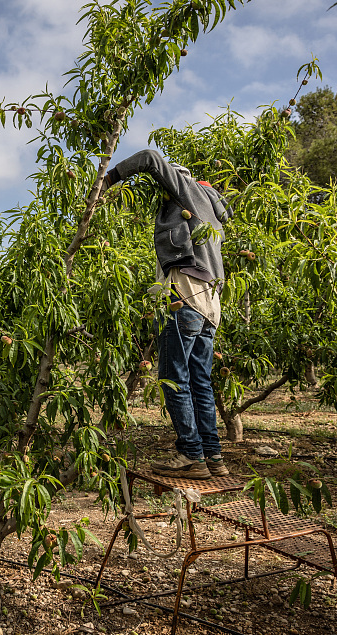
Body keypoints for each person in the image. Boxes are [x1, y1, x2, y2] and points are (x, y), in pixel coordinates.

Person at [102, 150, 233, 480]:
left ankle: (191, 454)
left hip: (186, 292)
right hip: (211, 301)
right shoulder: (213, 209)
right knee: (200, 380)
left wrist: (109, 179)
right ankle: (213, 456)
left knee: (173, 376)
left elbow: (149, 157)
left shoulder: (187, 189)